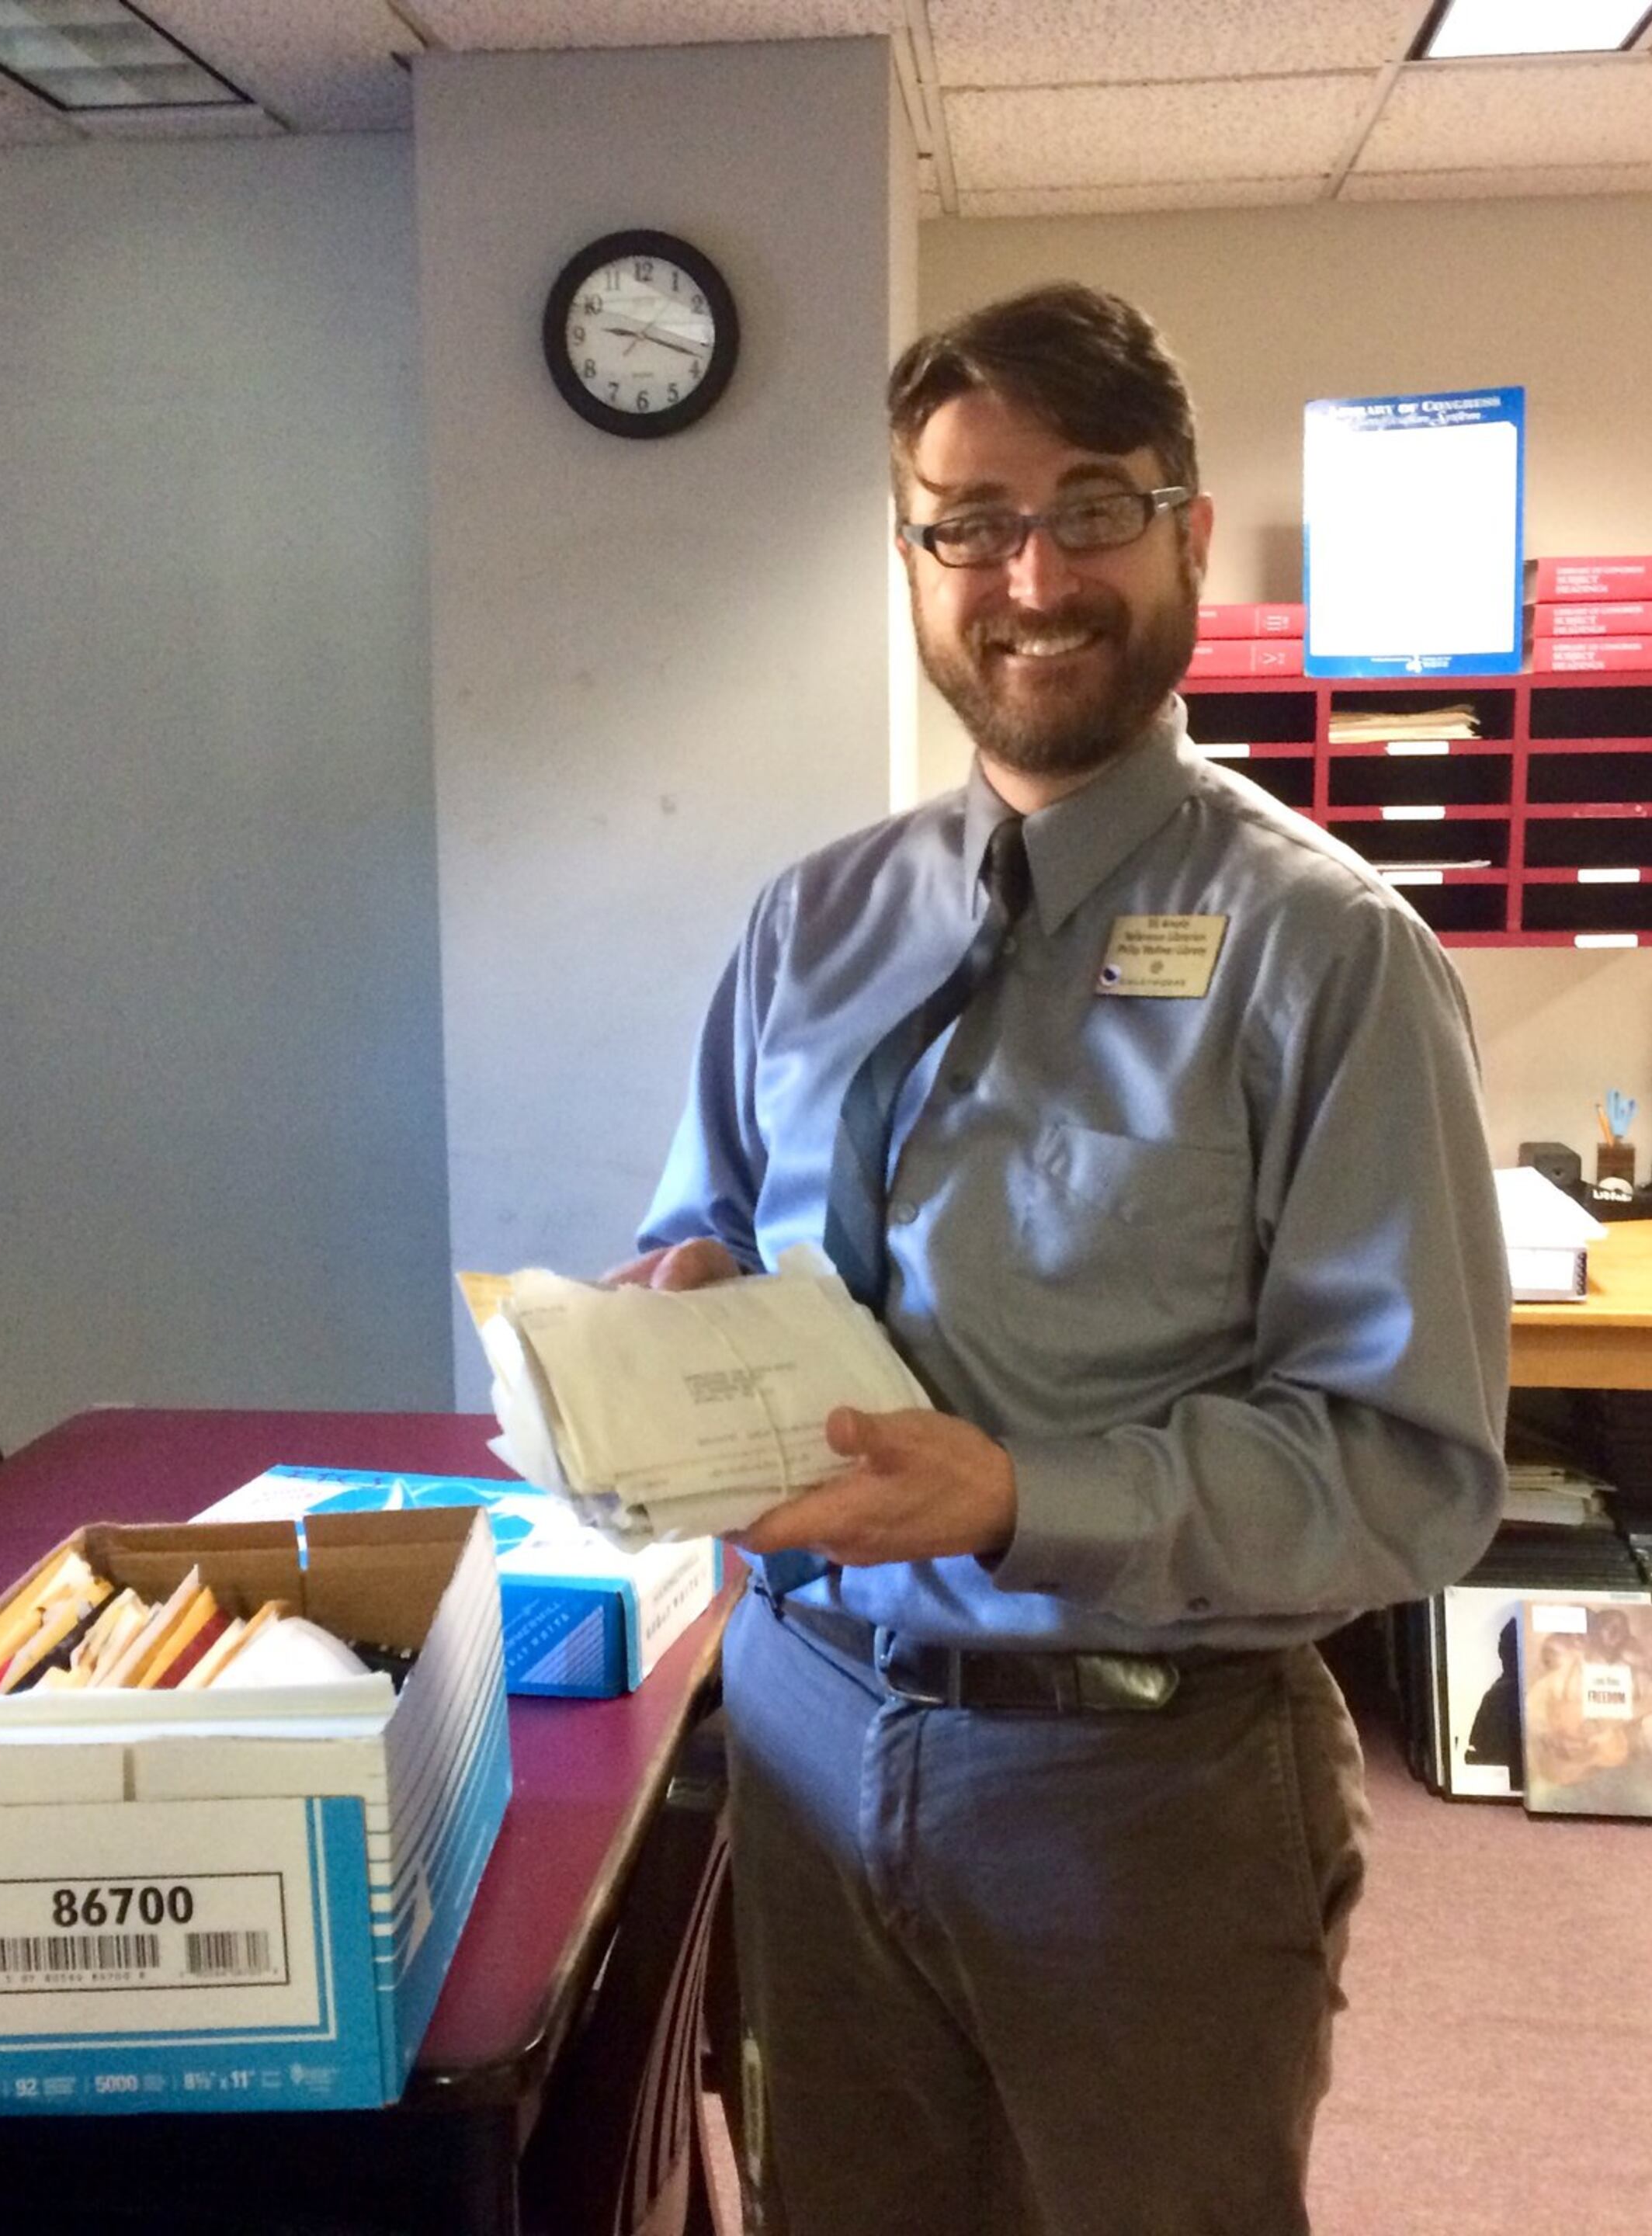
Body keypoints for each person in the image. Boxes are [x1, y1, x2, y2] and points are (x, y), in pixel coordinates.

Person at [608, 282, 1509, 2236]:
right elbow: (705, 1217)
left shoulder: (1325, 953)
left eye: (1093, 506)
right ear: (916, 561)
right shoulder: (813, 921)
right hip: (800, 1729)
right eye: (970, 520)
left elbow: (1407, 1474)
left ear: (1188, 532)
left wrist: (1024, 1498)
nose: (1033, 572)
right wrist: (672, 1298)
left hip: (1140, 1793)